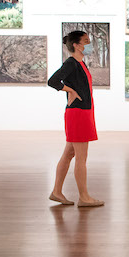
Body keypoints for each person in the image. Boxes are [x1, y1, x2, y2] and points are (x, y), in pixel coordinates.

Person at [47, 30, 105, 208]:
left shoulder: (81, 63)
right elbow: (53, 81)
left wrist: (72, 89)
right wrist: (70, 90)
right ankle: (84, 197)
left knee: (69, 154)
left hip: (82, 112)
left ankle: (57, 192)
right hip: (78, 113)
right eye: (86, 41)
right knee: (81, 157)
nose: (89, 44)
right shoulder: (71, 63)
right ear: (76, 45)